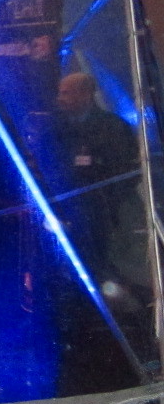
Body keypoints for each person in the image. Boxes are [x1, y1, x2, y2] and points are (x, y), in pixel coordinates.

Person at [49, 71, 136, 277]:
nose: (60, 99)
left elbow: (125, 171)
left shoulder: (113, 128)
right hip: (67, 212)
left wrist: (108, 203)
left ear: (86, 94)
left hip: (104, 217)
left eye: (66, 93)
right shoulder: (56, 130)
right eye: (60, 93)